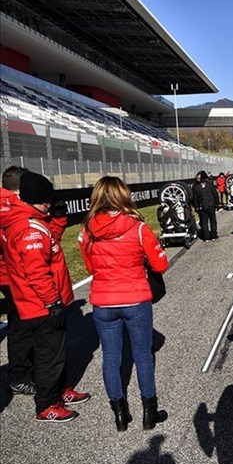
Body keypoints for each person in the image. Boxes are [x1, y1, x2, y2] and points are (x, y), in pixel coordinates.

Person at [79, 177, 169, 431]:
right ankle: (149, 412)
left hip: (103, 301)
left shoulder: (87, 230)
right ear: (123, 196)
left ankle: (120, 413)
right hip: (135, 298)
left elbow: (89, 267)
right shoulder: (138, 227)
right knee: (142, 355)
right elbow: (161, 264)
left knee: (111, 358)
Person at [3, 172, 89, 422]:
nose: (50, 204)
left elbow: (49, 242)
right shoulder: (28, 229)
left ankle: (60, 390)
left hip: (38, 300)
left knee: (56, 351)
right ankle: (47, 404)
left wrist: (57, 220)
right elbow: (37, 272)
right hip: (40, 304)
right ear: (37, 200)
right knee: (48, 355)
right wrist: (52, 301)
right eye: (47, 200)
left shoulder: (29, 221)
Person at [1, 166, 36, 396]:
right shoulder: (11, 207)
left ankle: (24, 370)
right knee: (22, 325)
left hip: (10, 273)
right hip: (11, 274)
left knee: (21, 323)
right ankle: (18, 376)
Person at [191, 171, 218, 242]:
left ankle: (206, 237)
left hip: (202, 205)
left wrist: (196, 206)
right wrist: (217, 204)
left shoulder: (196, 186)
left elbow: (195, 198)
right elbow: (215, 194)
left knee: (204, 221)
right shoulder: (210, 184)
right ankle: (213, 235)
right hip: (211, 204)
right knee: (213, 220)